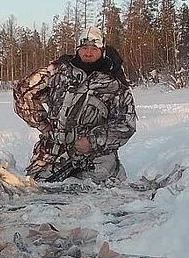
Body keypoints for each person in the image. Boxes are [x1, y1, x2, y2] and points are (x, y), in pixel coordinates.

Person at [13, 26, 136, 182]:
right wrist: (44, 126)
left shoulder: (114, 83)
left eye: (94, 48)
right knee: (39, 196)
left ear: (102, 50)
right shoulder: (58, 71)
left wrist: (92, 142)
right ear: (78, 49)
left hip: (95, 158)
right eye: (84, 47)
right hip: (53, 155)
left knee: (95, 199)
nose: (88, 52)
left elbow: (126, 124)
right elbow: (22, 91)